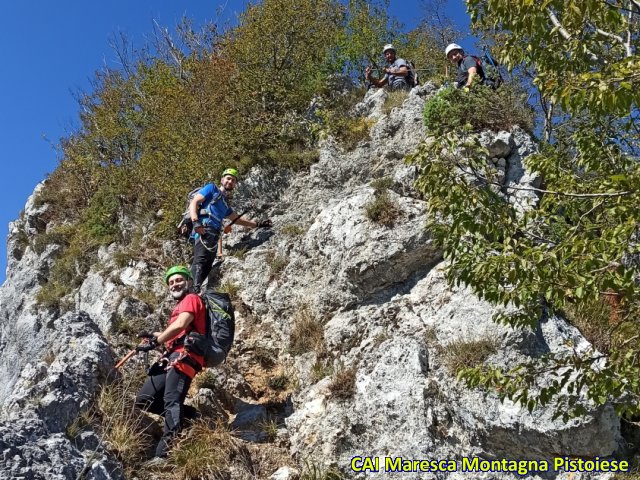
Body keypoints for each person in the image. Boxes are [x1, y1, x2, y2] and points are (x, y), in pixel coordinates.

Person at [134, 266, 206, 462]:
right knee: (144, 398)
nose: (175, 284)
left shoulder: (191, 299)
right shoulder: (180, 305)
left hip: (185, 357)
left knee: (171, 400)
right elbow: (177, 333)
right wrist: (155, 337)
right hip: (172, 355)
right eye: (171, 282)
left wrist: (156, 342)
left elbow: (181, 326)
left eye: (179, 280)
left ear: (189, 282)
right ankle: (191, 415)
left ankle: (165, 454)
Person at [188, 168, 271, 292]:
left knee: (207, 265)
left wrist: (258, 224)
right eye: (228, 178)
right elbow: (194, 201)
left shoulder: (225, 204)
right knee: (200, 261)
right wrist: (195, 221)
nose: (230, 181)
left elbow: (238, 220)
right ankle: (192, 293)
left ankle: (197, 292)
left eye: (233, 180)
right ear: (222, 180)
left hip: (214, 236)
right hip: (204, 228)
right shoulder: (212, 189)